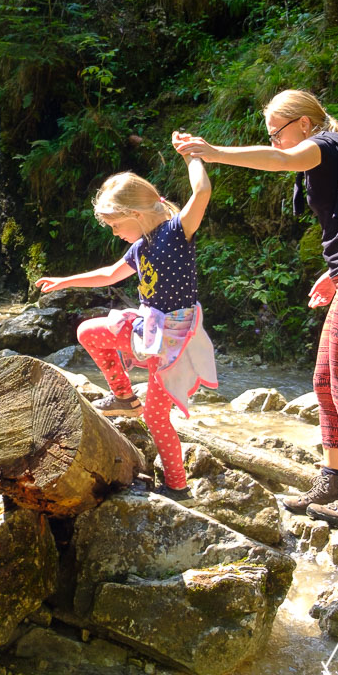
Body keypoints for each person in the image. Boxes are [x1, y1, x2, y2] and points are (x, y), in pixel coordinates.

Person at [174, 89, 338, 533]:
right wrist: (335, 271)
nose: (275, 141)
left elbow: (281, 161)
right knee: (323, 383)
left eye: (276, 132)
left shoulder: (324, 145)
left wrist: (213, 152)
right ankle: (333, 481)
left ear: (302, 125)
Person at [35, 156, 216, 500]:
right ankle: (128, 405)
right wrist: (63, 281)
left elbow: (203, 190)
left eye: (115, 225)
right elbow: (108, 274)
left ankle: (172, 477)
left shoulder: (178, 231)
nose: (115, 233)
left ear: (134, 214)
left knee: (154, 411)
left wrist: (193, 156)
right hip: (149, 332)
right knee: (93, 337)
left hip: (173, 338)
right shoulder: (140, 247)